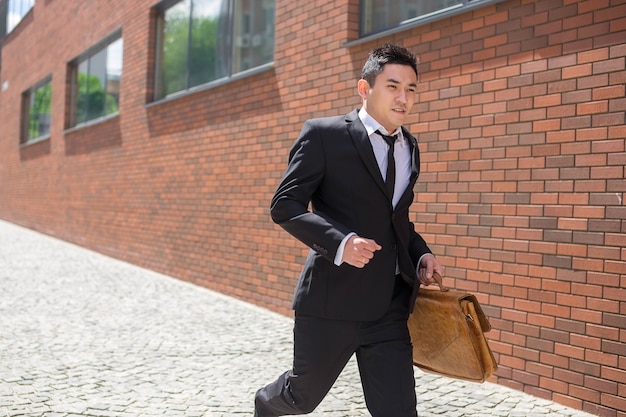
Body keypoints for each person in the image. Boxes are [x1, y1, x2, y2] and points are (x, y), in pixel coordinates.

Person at [254, 43, 445, 417]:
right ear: (365, 88)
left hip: (390, 305)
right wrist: (341, 243)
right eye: (392, 86)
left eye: (411, 89)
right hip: (332, 302)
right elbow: (285, 205)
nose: (403, 97)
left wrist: (420, 253)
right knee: (299, 398)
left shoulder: (411, 146)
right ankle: (264, 404)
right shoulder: (324, 135)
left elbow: (397, 218)